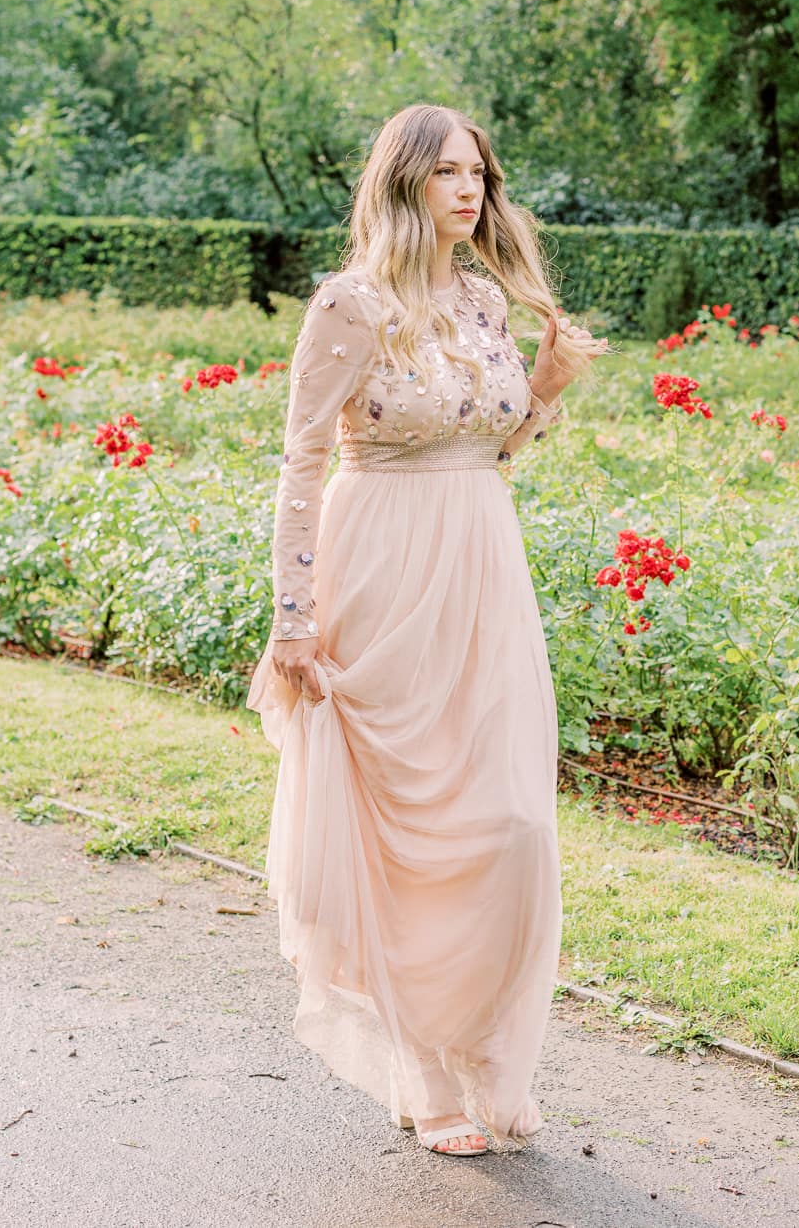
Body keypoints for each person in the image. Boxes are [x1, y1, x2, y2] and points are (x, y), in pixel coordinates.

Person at [246, 102, 608, 1157]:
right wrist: (293, 619)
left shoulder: (487, 301)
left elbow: (491, 450)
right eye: (448, 172)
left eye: (480, 175)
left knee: (507, 825)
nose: (469, 191)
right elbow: (302, 464)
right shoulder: (349, 305)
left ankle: (489, 1052)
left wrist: (541, 392)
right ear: (401, 182)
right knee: (402, 836)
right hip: (381, 573)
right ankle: (423, 1066)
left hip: (482, 569)